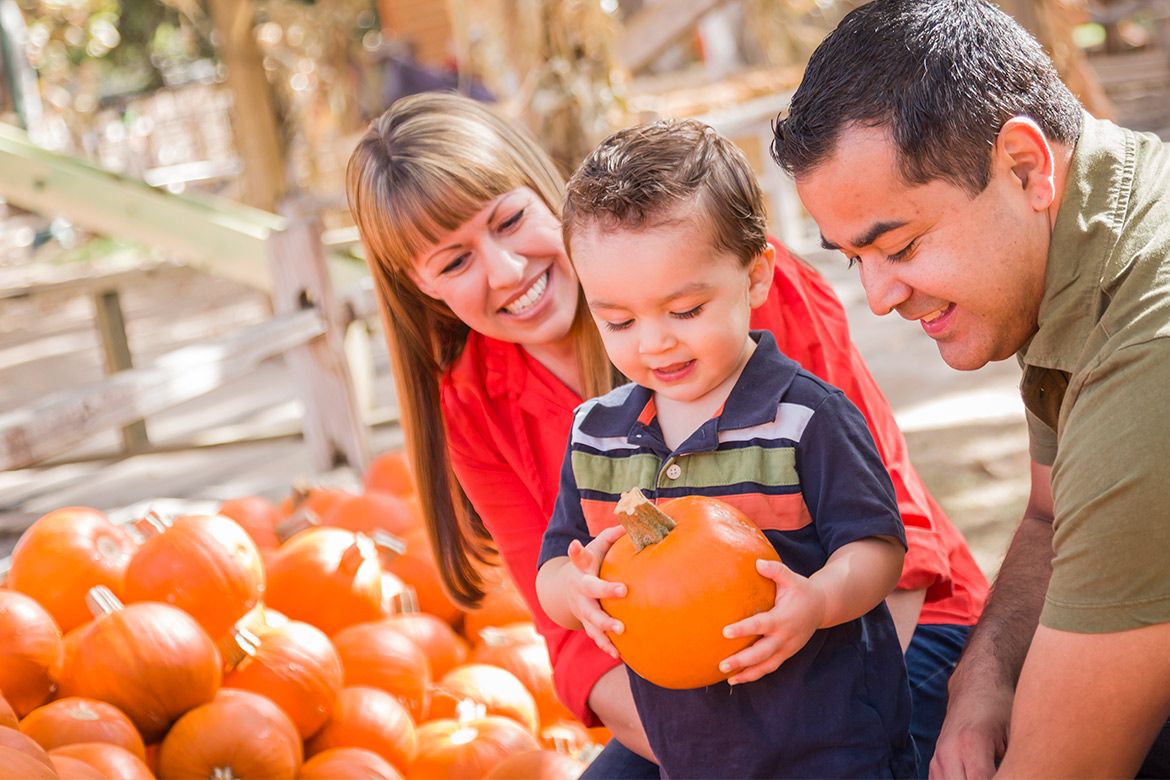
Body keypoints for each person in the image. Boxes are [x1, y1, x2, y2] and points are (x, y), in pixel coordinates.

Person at [345, 90, 987, 776]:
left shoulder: (732, 292)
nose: (506, 271)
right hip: (694, 714)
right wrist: (716, 755)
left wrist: (800, 735)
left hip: (879, 642)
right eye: (454, 262)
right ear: (421, 290)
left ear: (546, 195)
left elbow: (896, 543)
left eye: (509, 221)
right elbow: (573, 637)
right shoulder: (474, 404)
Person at [771, 0, 1170, 776]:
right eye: (857, 259)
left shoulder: (1148, 354)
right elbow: (1052, 515)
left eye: (901, 245)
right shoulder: (1071, 241)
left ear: (1025, 166)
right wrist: (982, 676)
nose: (880, 296)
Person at [535, 118, 917, 778]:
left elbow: (877, 547)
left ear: (757, 277)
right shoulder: (595, 437)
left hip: (831, 746)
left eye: (684, 310)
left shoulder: (804, 419)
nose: (653, 342)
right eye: (618, 320)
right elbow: (551, 567)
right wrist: (577, 590)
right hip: (693, 756)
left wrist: (819, 599)